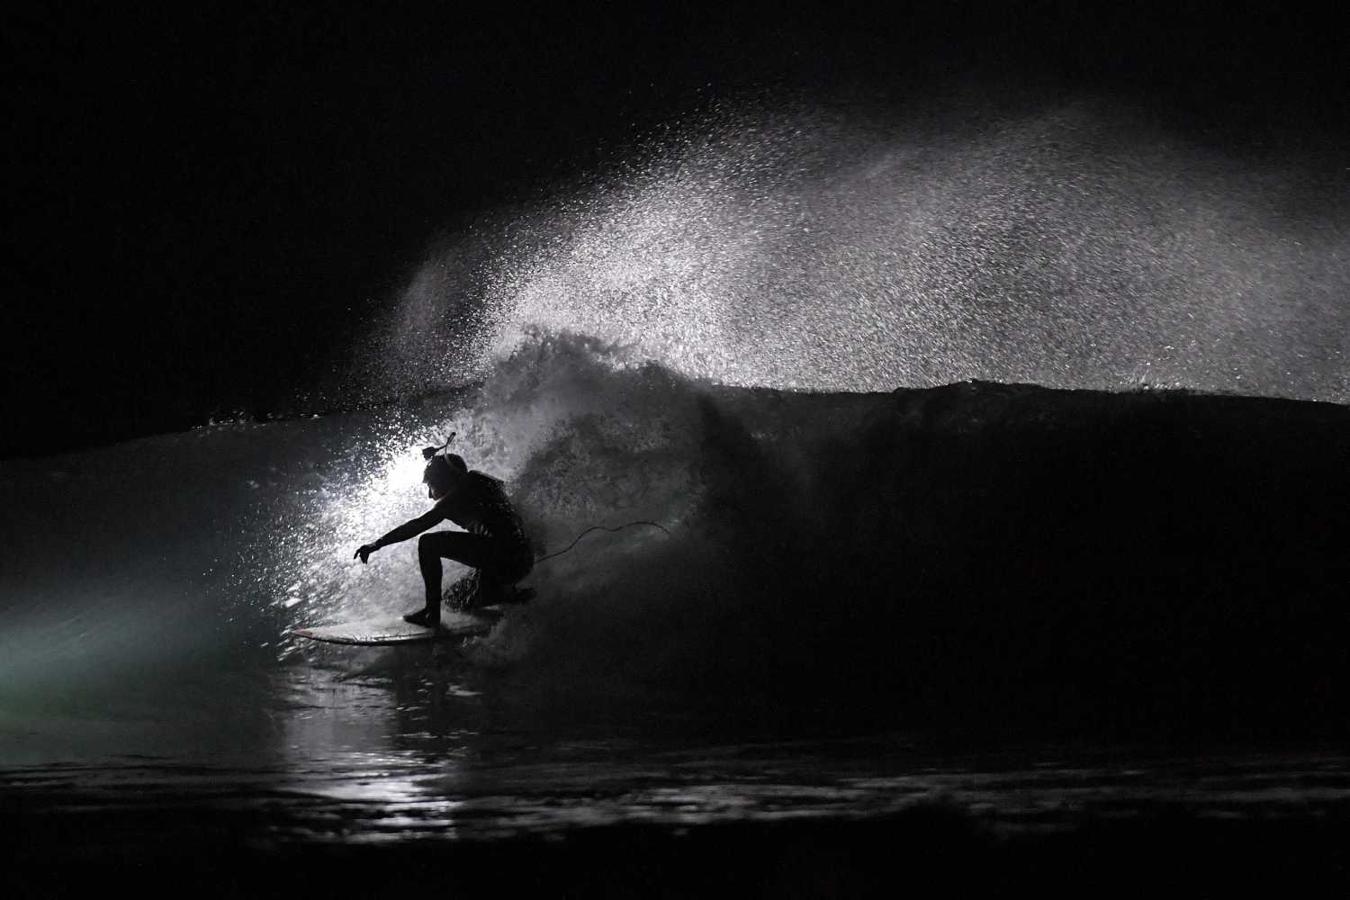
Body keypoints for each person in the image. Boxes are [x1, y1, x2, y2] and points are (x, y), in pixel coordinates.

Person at [354, 448, 533, 627]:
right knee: (454, 599)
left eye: (430, 486)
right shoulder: (485, 481)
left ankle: (432, 613)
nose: (430, 495)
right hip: (519, 560)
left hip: (504, 559)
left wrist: (377, 544)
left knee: (428, 543)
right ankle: (510, 595)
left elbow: (416, 526)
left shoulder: (454, 498)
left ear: (444, 479)